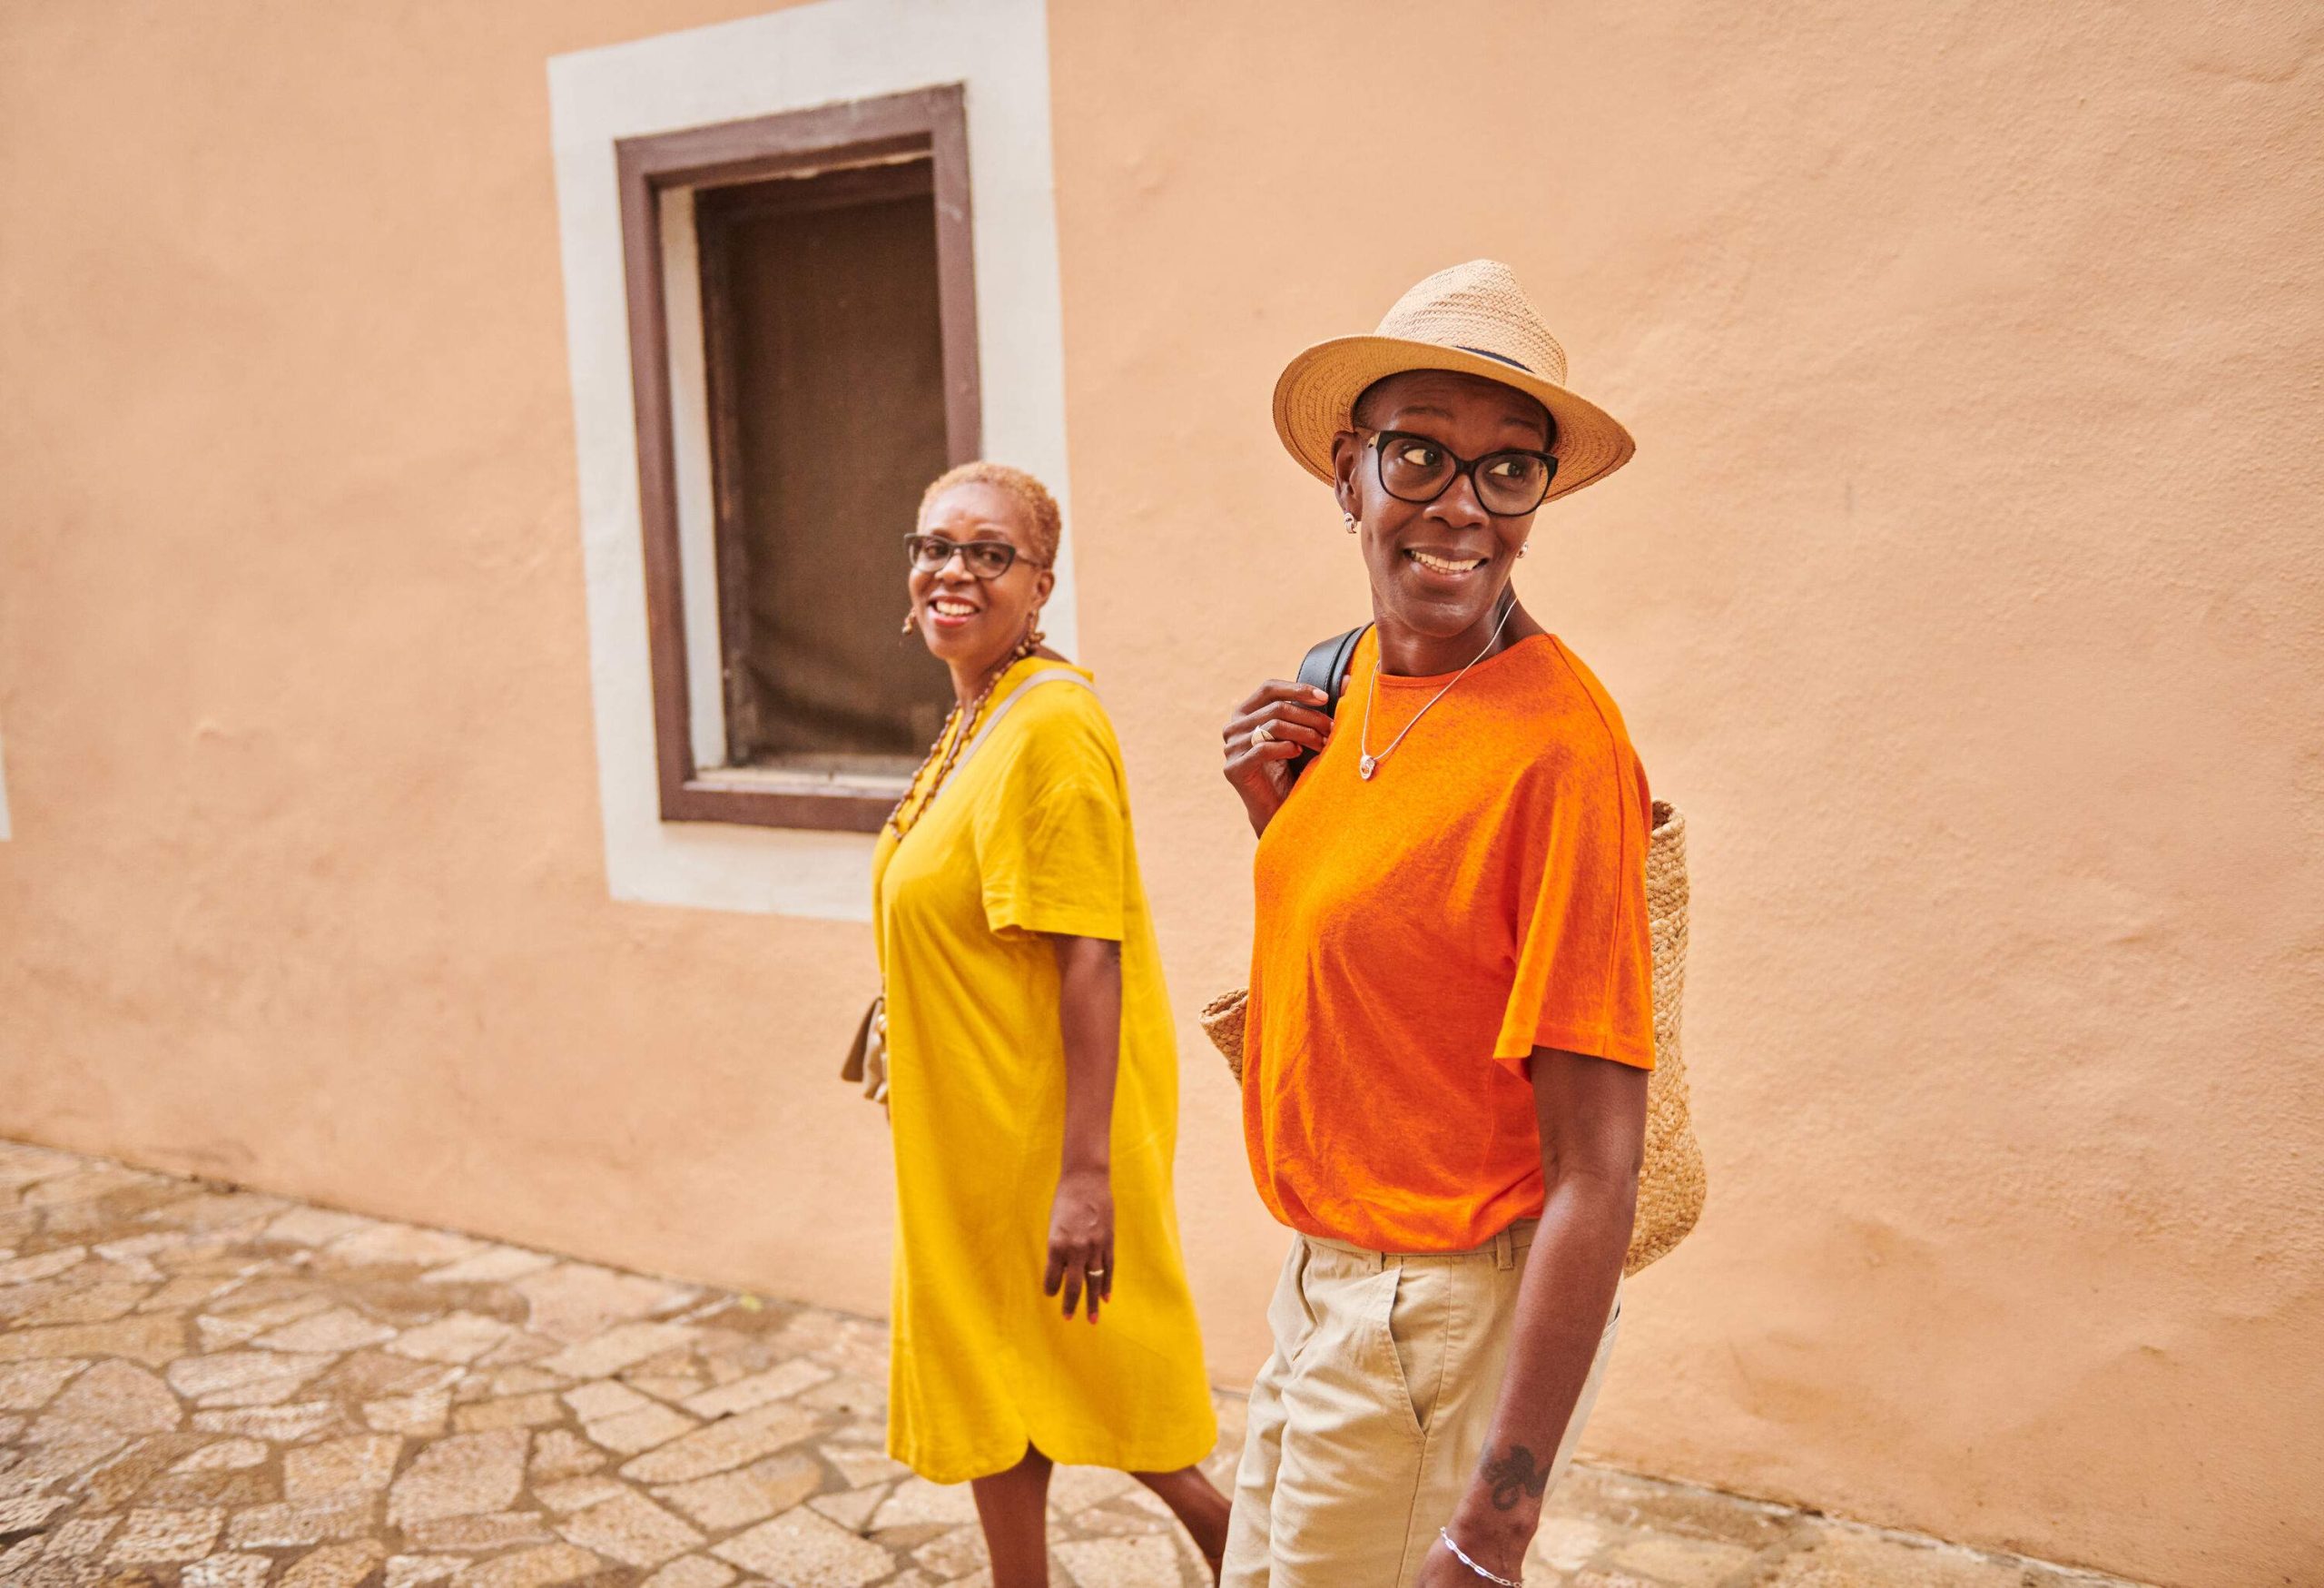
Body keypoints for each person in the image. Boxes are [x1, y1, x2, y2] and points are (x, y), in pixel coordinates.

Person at [1216, 261, 1656, 1588]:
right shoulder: (1336, 686)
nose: (1461, 508)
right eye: (1420, 455)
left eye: (1507, 469)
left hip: (1435, 1316)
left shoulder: (1562, 753)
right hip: (1318, 1285)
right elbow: (1398, 962)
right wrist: (1274, 822)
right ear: (1347, 471)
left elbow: (1599, 1173)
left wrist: (1497, 1523)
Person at [874, 461, 1231, 1585]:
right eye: (936, 546)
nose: (953, 572)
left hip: (1043, 1138)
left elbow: (1089, 951)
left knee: (1119, 1393)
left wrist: (1085, 1178)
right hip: (971, 1131)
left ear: (1040, 583)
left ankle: (1275, 1571)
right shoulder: (977, 715)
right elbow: (968, 910)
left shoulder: (1050, 723)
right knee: (995, 1385)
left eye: (990, 554)